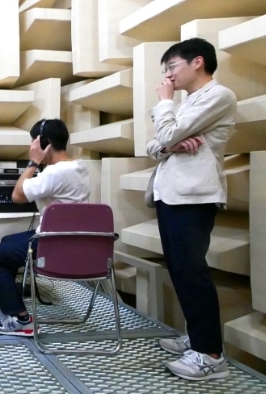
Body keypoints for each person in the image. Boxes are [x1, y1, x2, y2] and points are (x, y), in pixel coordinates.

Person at [145, 37, 236, 381]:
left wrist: (165, 106)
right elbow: (155, 144)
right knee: (181, 271)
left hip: (194, 197)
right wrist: (171, 144)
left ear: (197, 62)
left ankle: (211, 357)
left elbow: (166, 133)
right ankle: (199, 339)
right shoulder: (188, 104)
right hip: (171, 195)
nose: (168, 77)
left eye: (171, 67)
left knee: (193, 272)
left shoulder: (218, 96)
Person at [0, 118, 90, 336]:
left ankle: (21, 320)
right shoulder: (79, 167)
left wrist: (32, 163)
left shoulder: (54, 173)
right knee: (8, 242)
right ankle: (7, 293)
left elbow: (17, 195)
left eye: (34, 142)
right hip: (75, 241)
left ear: (44, 143)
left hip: (53, 245)